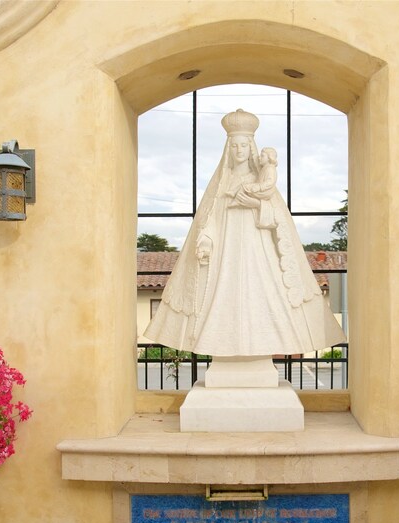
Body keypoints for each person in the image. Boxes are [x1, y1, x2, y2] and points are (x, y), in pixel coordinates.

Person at [144, 109, 345, 357]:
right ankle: (220, 340)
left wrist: (256, 205)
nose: (238, 150)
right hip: (226, 253)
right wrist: (205, 241)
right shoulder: (221, 184)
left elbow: (278, 220)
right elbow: (210, 219)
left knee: (263, 293)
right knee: (222, 293)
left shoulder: (261, 180)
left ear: (250, 148)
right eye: (234, 145)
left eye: (243, 145)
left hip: (256, 250)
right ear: (228, 149)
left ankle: (263, 338)